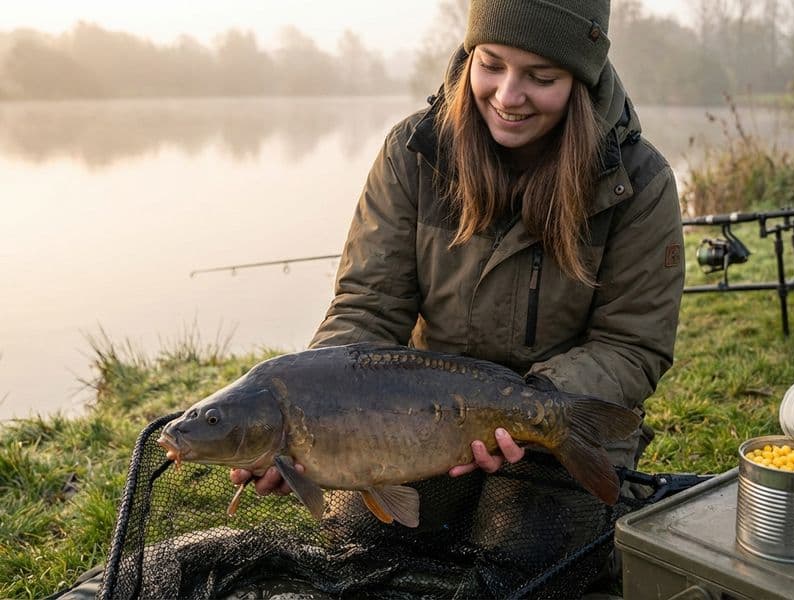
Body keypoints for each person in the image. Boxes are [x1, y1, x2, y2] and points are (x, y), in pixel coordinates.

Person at [232, 0, 684, 592]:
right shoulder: (413, 152)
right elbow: (368, 305)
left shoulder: (638, 181)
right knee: (364, 543)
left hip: (558, 418)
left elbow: (632, 345)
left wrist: (531, 404)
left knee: (534, 561)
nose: (507, 94)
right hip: (414, 420)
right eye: (491, 64)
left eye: (541, 78)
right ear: (469, 54)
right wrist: (312, 407)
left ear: (582, 79)